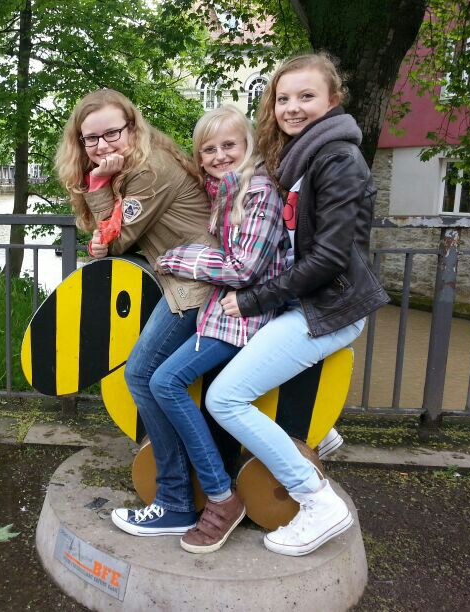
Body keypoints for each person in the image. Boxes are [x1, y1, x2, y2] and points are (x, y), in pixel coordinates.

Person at [200, 52, 389, 556]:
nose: (292, 107)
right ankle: (320, 433)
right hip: (311, 301)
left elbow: (329, 257)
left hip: (328, 306)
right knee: (243, 368)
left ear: (333, 99)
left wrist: (253, 300)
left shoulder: (338, 159)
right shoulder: (302, 156)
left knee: (225, 398)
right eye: (283, 98)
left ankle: (317, 501)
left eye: (307, 96)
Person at [107, 105, 288, 553]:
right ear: (199, 156)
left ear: (248, 145)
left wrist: (178, 258)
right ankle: (191, 497)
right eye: (209, 149)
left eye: (229, 146)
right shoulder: (224, 189)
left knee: (164, 382)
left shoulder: (258, 192)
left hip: (244, 316)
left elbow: (244, 268)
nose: (220, 155)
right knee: (157, 379)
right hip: (221, 311)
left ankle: (217, 497)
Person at [55, 88, 217, 536]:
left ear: (132, 127)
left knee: (142, 376)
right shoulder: (136, 164)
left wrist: (99, 185)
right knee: (154, 378)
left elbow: (118, 240)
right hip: (184, 277)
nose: (101, 145)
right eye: (91, 138)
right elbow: (106, 236)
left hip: (197, 283)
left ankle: (175, 501)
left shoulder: (148, 170)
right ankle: (182, 491)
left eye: (112, 133)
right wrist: (104, 226)